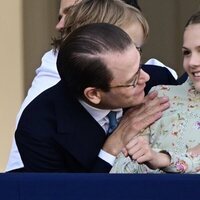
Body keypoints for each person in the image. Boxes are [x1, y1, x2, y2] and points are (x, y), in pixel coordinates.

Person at [6, 0, 174, 172]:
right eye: (133, 80)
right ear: (93, 94)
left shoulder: (158, 79)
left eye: (139, 62)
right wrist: (112, 147)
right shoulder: (39, 127)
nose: (145, 78)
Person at [110, 11, 200, 174]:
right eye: (187, 52)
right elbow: (119, 173)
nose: (193, 62)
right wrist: (146, 156)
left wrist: (162, 159)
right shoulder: (160, 96)